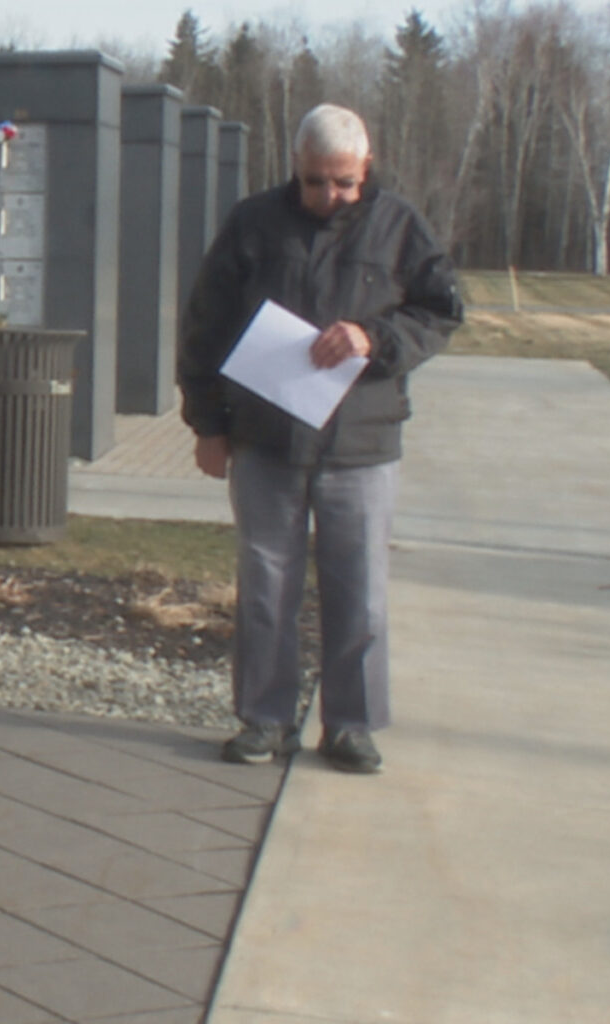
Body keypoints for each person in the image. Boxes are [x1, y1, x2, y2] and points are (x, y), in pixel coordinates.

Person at [177, 103, 463, 775]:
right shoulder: (252, 224)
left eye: (343, 182)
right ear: (295, 169)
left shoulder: (399, 227)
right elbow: (205, 326)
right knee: (265, 585)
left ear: (366, 169)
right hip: (265, 442)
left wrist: (375, 338)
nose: (329, 196)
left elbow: (442, 310)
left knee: (359, 588)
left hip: (360, 445)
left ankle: (351, 725)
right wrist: (207, 424)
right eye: (315, 182)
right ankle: (265, 720)